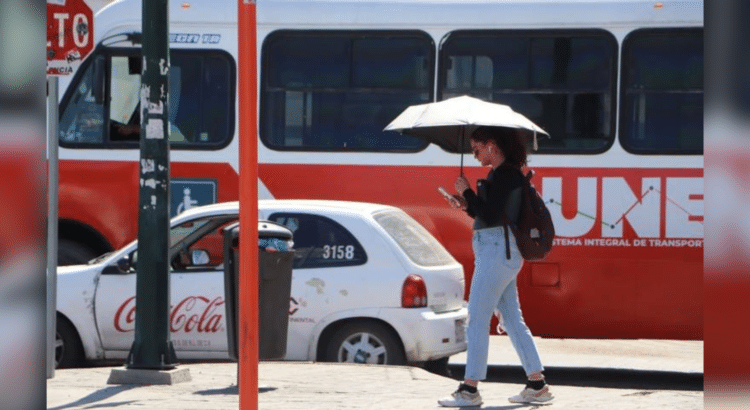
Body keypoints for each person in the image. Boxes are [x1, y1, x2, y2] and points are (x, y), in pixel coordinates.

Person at [437, 126, 553, 407]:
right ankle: (536, 384)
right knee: (512, 319)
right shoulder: (505, 174)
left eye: (476, 149)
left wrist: (466, 191)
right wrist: (465, 203)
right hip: (500, 251)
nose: (475, 155)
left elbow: (489, 213)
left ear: (492, 145)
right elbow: (487, 212)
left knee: (477, 317)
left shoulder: (506, 175)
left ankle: (469, 390)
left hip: (496, 253)